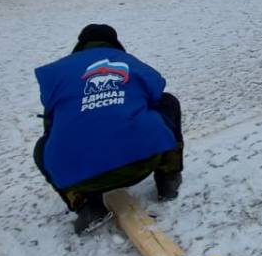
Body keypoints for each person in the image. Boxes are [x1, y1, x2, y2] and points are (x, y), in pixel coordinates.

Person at [34, 24, 184, 234]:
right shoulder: (128, 62)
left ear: (81, 46)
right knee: (168, 103)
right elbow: (157, 92)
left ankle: (87, 206)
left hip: (85, 180)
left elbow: (51, 128)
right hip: (142, 164)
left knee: (43, 146)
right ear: (115, 43)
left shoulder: (58, 73)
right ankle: (168, 179)